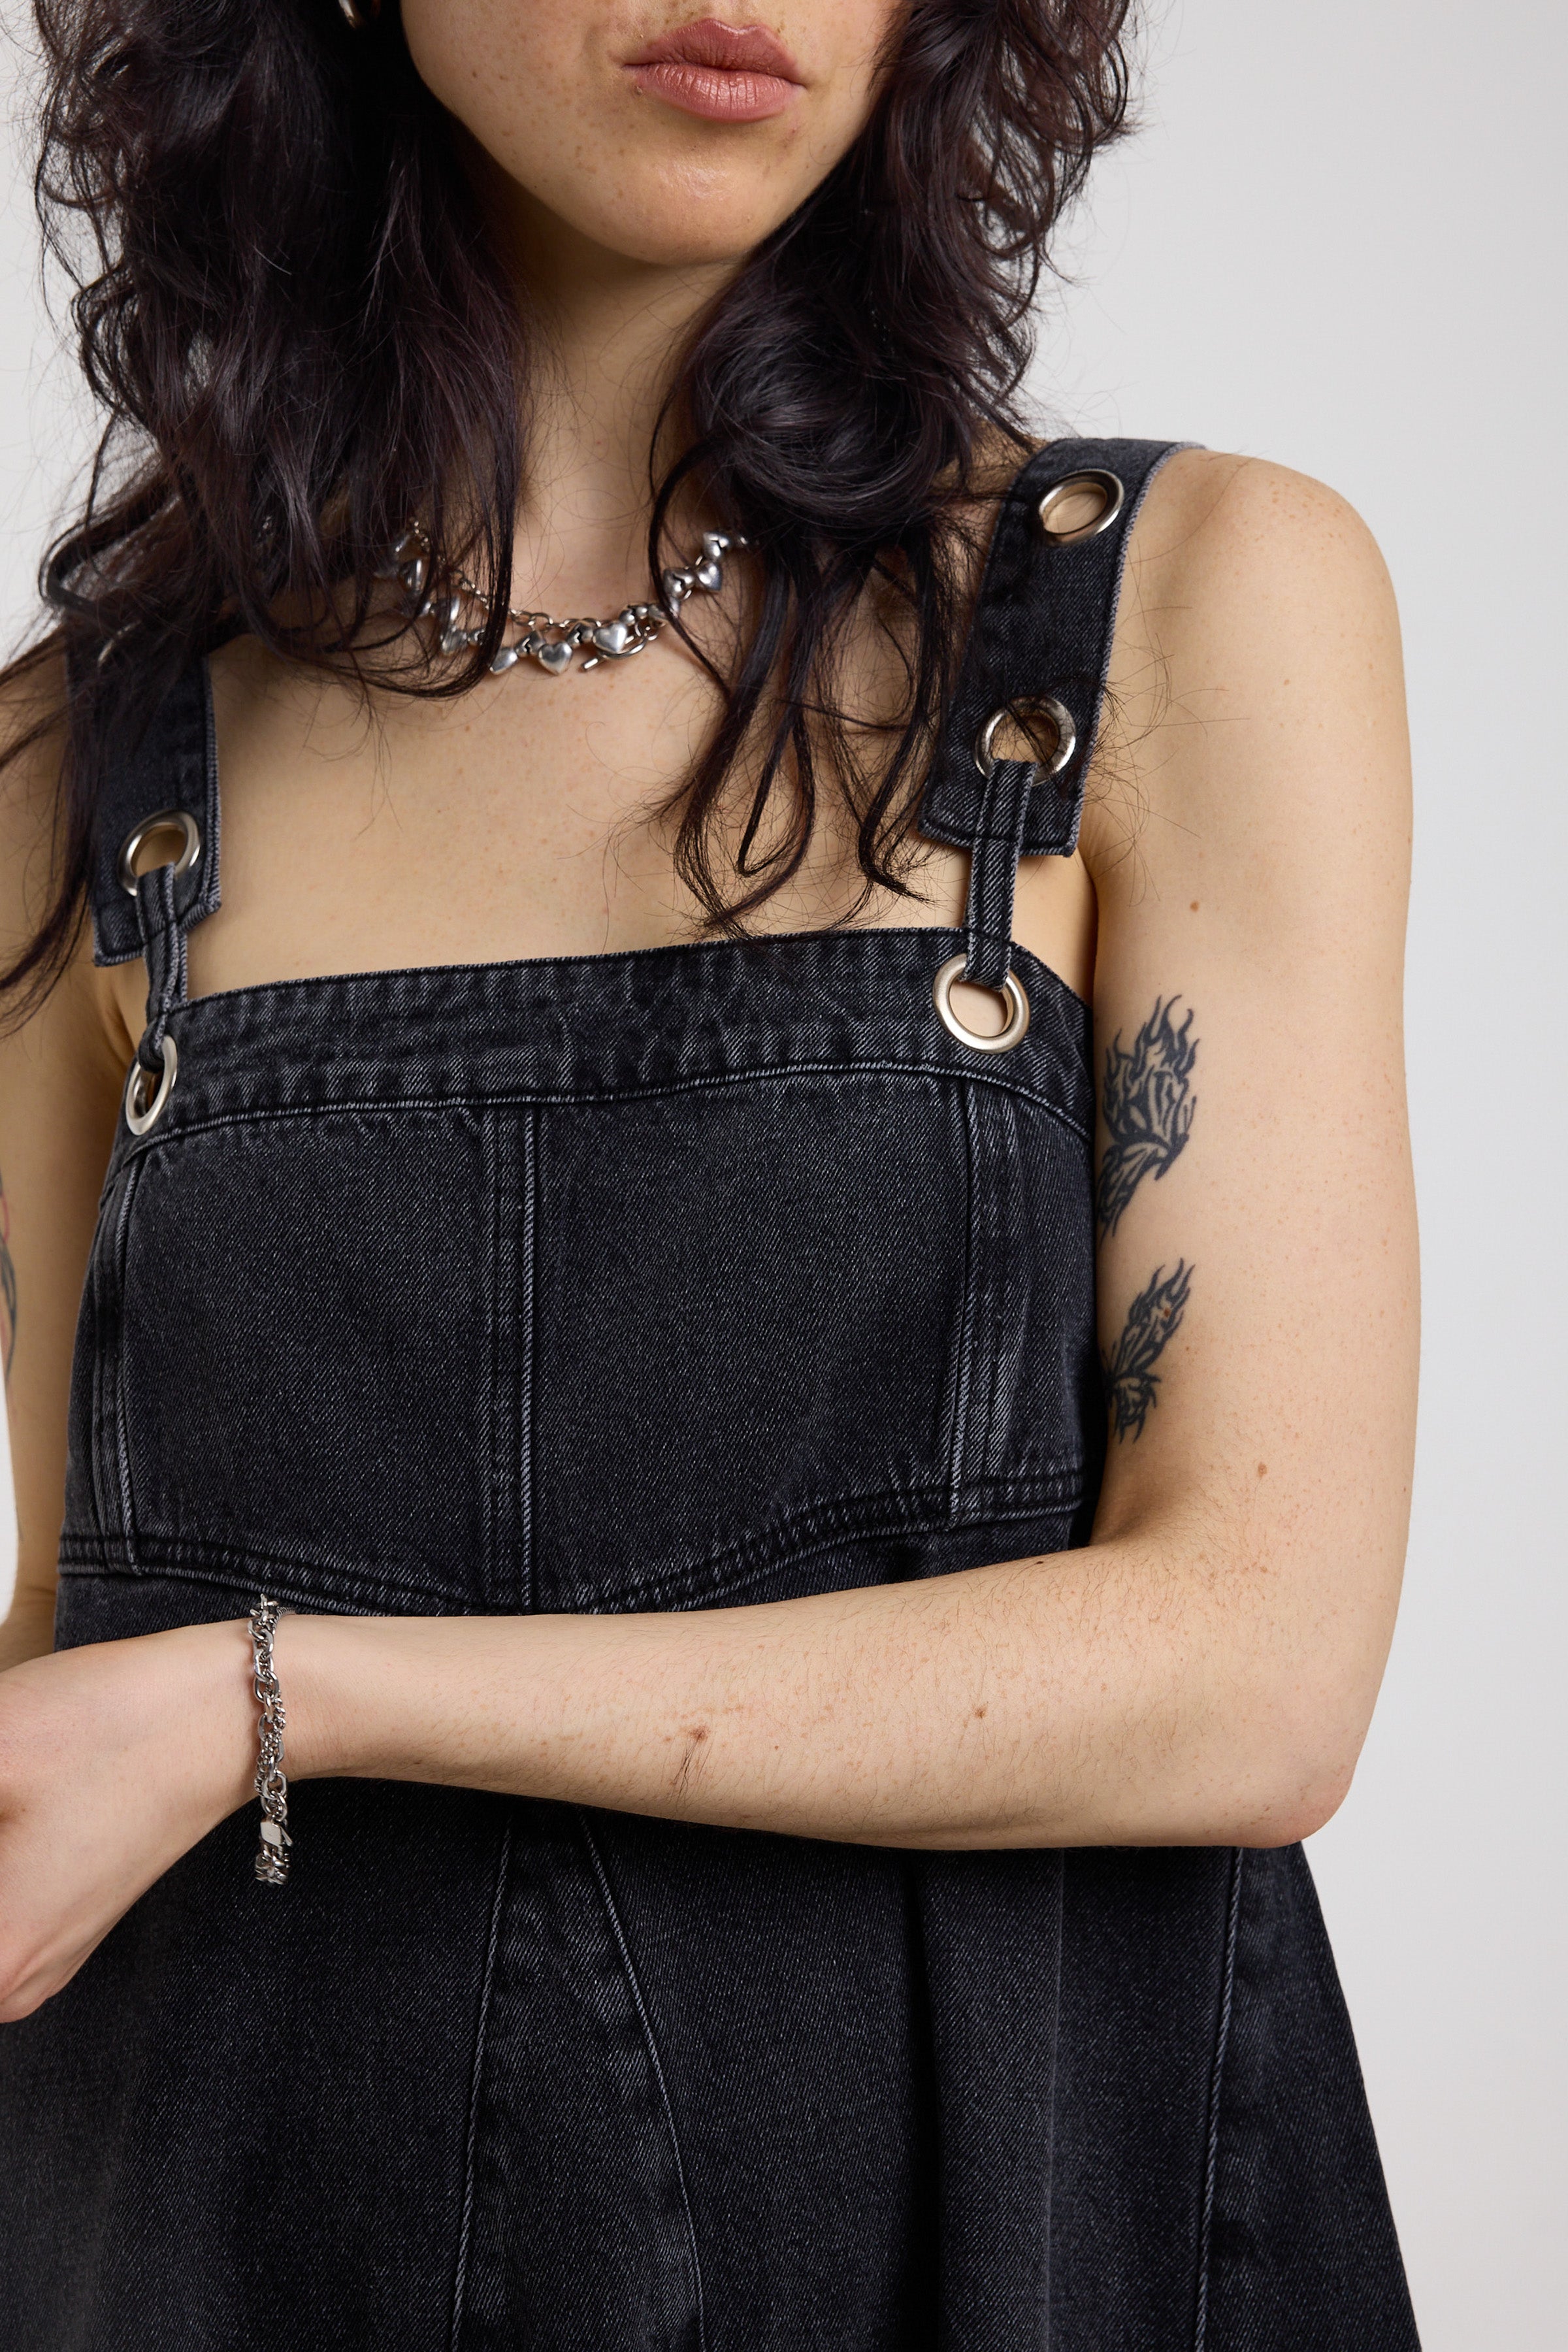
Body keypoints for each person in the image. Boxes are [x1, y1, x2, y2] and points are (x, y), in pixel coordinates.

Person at [0, 3, 1422, 2345]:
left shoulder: (1182, 612)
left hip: (1004, 2228)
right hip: (230, 2219)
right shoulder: (80, 767)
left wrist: (292, 1695)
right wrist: (167, 1709)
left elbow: (1257, 1677)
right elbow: (79, 1661)